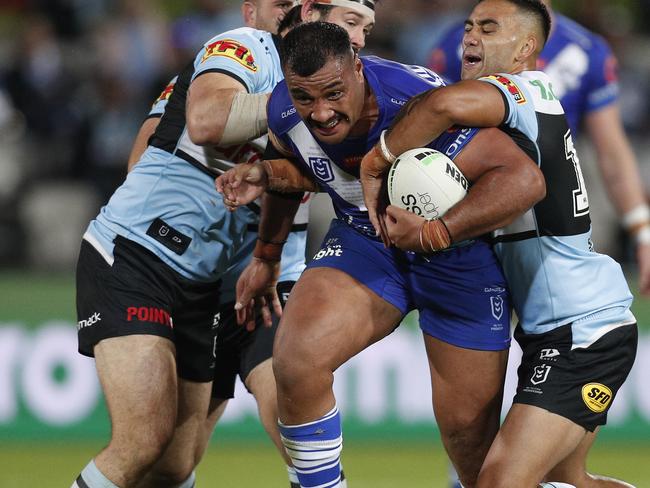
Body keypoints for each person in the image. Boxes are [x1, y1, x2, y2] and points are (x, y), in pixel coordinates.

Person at [217, 21, 546, 488]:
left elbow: (523, 179)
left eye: (333, 93)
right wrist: (267, 235)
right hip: (366, 240)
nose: (322, 113)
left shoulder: (416, 106)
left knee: (476, 460)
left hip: (458, 256)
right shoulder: (282, 110)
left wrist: (438, 232)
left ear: (358, 68)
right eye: (305, 97)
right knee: (296, 360)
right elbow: (314, 169)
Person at [71, 1, 377, 487]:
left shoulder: (357, 88)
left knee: (269, 421)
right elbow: (197, 124)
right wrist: (299, 99)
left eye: (365, 28)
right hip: (145, 259)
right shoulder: (246, 49)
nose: (359, 38)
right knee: (149, 444)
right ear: (313, 14)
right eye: (351, 22)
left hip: (260, 273)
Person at [359, 1, 638, 486]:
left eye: (489, 29)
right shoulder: (532, 100)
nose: (471, 36)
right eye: (469, 26)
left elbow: (442, 104)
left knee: (498, 482)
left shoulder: (519, 89)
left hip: (584, 331)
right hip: (555, 329)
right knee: (572, 481)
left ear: (525, 49)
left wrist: (378, 158)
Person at [426, 0, 650, 297]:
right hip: (474, 202)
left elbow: (611, 151)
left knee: (551, 316)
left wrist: (642, 232)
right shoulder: (461, 41)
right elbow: (430, 119)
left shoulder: (586, 51)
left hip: (551, 210)